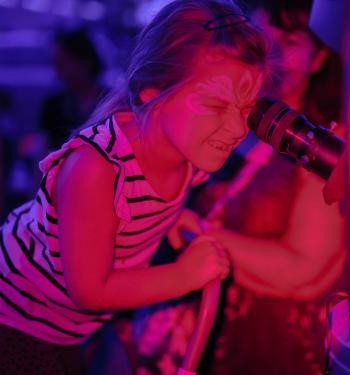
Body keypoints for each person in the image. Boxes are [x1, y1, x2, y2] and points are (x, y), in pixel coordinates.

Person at [0, 1, 270, 374]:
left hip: (71, 328)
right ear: (150, 92)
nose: (239, 129)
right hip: (17, 319)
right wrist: (182, 275)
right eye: (215, 105)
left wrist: (166, 221)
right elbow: (90, 291)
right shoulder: (96, 169)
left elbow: (135, 213)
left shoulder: (188, 151)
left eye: (246, 109)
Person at [132, 1, 347, 374]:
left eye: (292, 42)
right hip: (215, 332)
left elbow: (303, 270)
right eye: (265, 38)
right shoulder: (229, 119)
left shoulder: (315, 144)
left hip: (275, 348)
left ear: (319, 57)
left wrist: (195, 229)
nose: (274, 53)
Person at [40, 28, 106, 150]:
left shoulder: (111, 102)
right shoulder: (53, 106)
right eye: (56, 64)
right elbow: (43, 151)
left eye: (63, 62)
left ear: (85, 61)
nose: (58, 72)